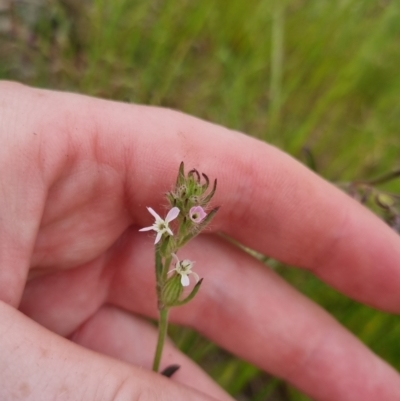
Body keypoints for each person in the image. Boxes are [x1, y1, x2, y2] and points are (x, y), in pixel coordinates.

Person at [1, 81, 399, 401]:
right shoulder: (169, 227)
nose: (165, 229)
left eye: (168, 226)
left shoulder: (177, 237)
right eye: (164, 225)